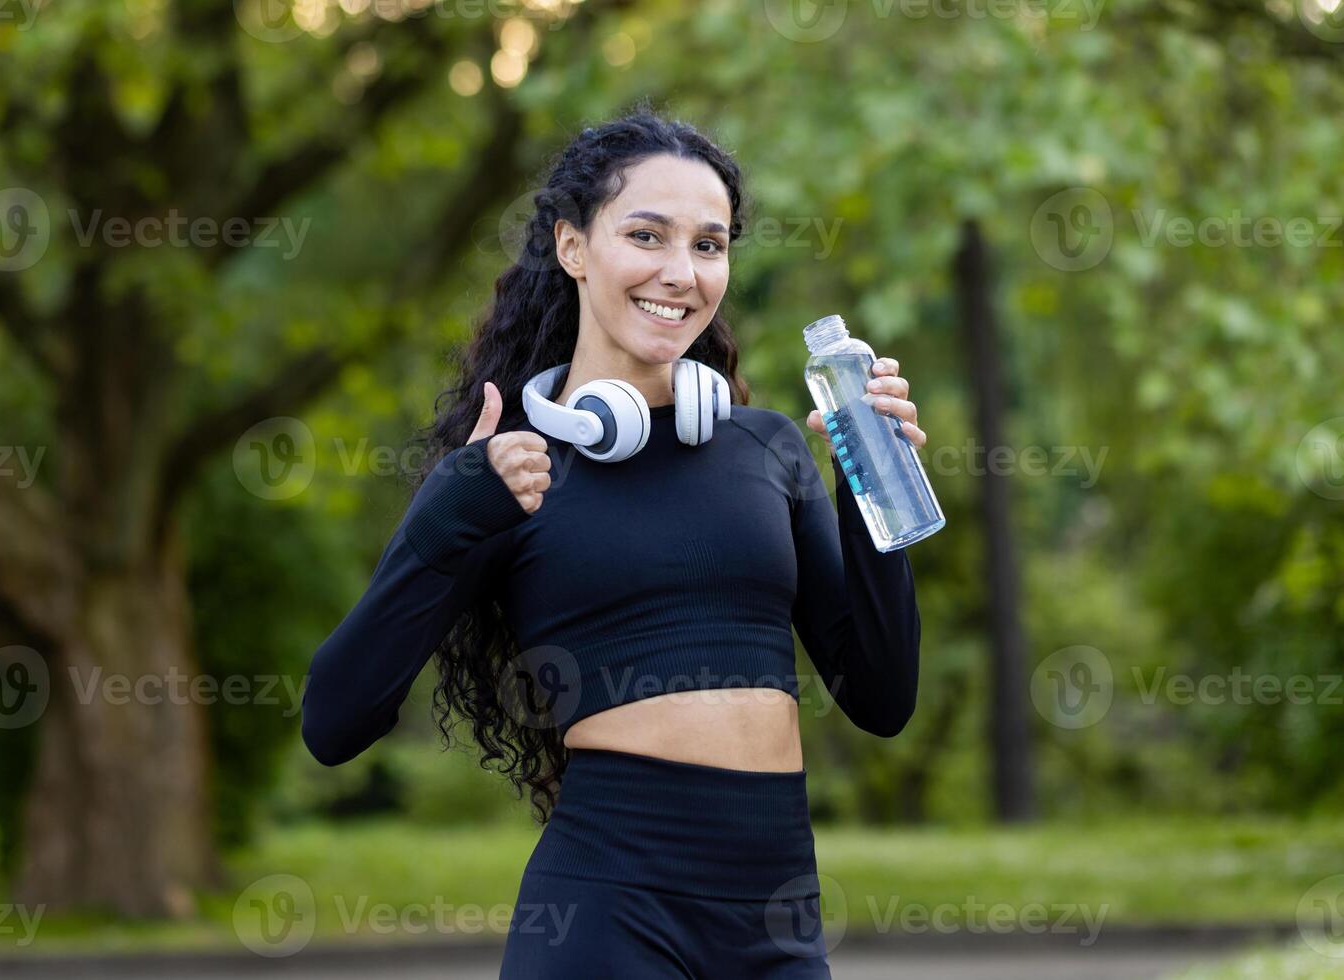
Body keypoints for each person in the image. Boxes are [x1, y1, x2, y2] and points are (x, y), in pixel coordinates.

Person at [301, 107, 925, 979]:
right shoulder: (509, 471)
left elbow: (883, 696)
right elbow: (333, 720)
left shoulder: (768, 449)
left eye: (709, 245)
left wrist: (872, 485)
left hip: (780, 922)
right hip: (607, 919)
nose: (681, 273)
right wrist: (446, 515)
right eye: (646, 235)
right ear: (573, 248)